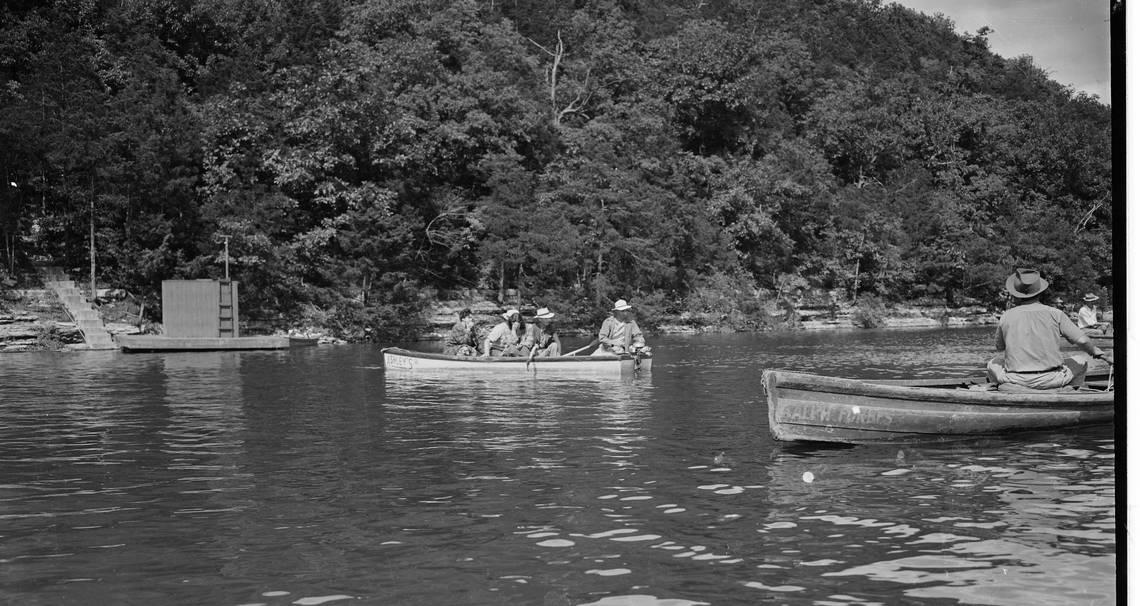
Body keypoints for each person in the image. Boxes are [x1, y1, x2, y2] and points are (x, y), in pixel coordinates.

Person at [985, 269, 1110, 390]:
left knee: (993, 362)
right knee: (1081, 361)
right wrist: (1100, 354)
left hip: (1015, 380)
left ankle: (1002, 390)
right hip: (1051, 379)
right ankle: (1071, 390)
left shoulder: (1006, 316)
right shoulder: (1056, 314)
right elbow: (1083, 341)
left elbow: (999, 347)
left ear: (1016, 294)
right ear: (1040, 292)